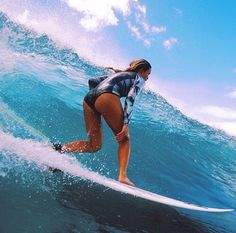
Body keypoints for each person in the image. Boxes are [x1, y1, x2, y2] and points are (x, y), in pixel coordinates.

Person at [53, 59, 152, 186]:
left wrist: (97, 101)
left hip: (89, 98)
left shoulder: (118, 75)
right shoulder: (139, 79)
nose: (147, 77)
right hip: (107, 97)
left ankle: (58, 148)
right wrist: (125, 124)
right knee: (125, 139)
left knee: (94, 145)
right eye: (148, 74)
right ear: (141, 71)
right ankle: (122, 176)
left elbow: (92, 81)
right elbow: (130, 99)